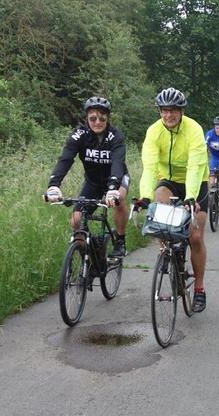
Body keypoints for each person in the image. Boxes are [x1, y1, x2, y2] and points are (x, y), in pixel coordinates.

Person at [138, 87, 210, 312]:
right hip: (167, 180)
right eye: (164, 110)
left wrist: (190, 196)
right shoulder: (153, 131)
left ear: (181, 111)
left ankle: (199, 289)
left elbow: (195, 166)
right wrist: (144, 196)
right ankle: (166, 252)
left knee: (195, 237)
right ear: (159, 111)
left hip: (196, 182)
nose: (168, 115)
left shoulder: (194, 129)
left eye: (173, 111)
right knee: (157, 210)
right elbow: (149, 167)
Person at [45, 95, 129, 258]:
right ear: (86, 119)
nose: (97, 122)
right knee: (76, 220)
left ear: (108, 118)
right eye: (93, 118)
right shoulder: (79, 135)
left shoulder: (116, 137)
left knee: (118, 200)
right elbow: (65, 159)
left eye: (102, 118)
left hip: (117, 178)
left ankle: (120, 240)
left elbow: (118, 163)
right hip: (93, 182)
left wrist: (112, 189)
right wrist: (53, 185)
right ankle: (89, 258)